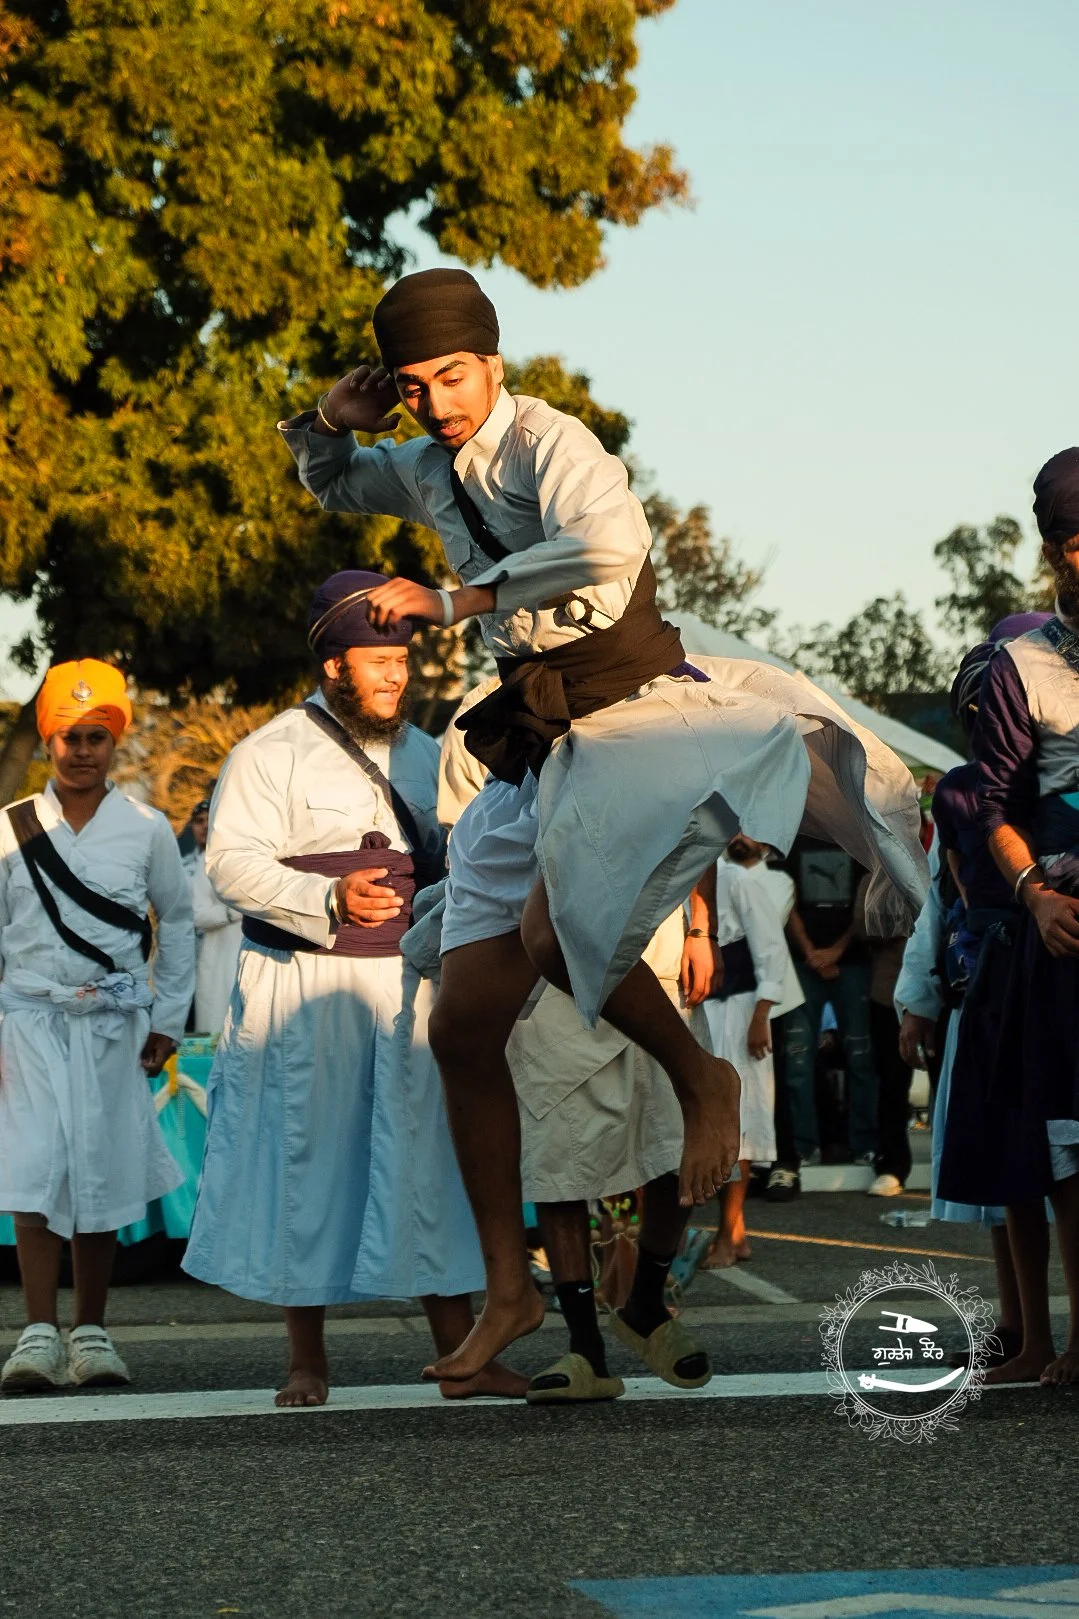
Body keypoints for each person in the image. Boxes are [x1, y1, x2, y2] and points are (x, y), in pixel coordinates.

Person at [278, 267, 927, 1380]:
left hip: (626, 715)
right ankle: (507, 1292)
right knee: (462, 1025)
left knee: (551, 931)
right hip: (538, 740)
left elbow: (608, 547)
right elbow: (336, 487)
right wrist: (327, 424)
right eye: (413, 384)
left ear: (490, 359)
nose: (436, 402)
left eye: (452, 375)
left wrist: (458, 600)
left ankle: (698, 1075)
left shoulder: (548, 439)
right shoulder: (424, 459)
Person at [182, 573, 522, 1407]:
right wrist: (326, 898)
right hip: (304, 990)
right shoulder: (268, 751)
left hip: (409, 986)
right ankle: (307, 1360)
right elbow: (230, 863)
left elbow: (461, 860)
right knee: (311, 1158)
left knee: (425, 1160)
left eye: (402, 661)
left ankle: (462, 1356)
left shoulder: (430, 753)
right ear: (334, 663)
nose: (396, 677)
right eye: (379, 662)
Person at [436, 679, 715, 1403]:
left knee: (672, 1138)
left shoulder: (646, 689)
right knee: (560, 1158)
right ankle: (584, 1344)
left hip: (648, 951)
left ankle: (647, 1300)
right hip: (545, 967)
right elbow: (473, 830)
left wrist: (703, 926)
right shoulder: (480, 712)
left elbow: (701, 809)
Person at [0, 661, 194, 1393]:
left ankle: (91, 1329)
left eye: (95, 736)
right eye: (66, 736)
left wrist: (168, 1018)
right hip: (29, 1020)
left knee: (100, 1169)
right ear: (48, 740)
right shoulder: (9, 829)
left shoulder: (144, 828)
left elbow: (176, 922)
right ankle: (37, 1332)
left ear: (113, 741)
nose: (81, 749)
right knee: (34, 1169)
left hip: (113, 1023)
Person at [974, 452, 1079, 1386]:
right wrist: (1035, 895)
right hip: (1066, 930)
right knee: (1072, 1138)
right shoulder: (1019, 668)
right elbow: (994, 807)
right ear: (1053, 552)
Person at [699, 835, 788, 1266]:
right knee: (710, 1120)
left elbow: (772, 952)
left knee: (742, 1120)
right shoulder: (690, 876)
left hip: (740, 1011)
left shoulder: (737, 878)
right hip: (702, 1010)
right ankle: (736, 1234)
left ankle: (727, 1232)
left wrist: (760, 1017)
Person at [782, 836, 879, 1170]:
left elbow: (867, 899)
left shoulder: (855, 838)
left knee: (861, 1056)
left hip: (850, 963)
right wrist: (810, 951)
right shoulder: (794, 838)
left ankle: (864, 1144)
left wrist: (835, 951)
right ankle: (804, 1146)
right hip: (803, 962)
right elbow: (787, 901)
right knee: (798, 1058)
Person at [184, 790, 243, 1036]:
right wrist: (233, 912)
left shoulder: (237, 858)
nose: (206, 826)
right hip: (200, 956)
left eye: (211, 819)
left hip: (236, 953)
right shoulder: (185, 866)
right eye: (199, 821)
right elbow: (195, 915)